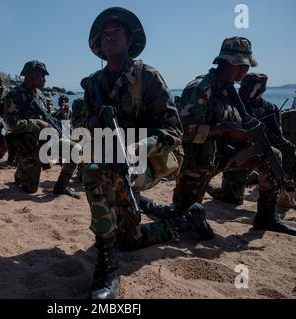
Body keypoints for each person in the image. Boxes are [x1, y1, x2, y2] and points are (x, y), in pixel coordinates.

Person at [82, 7, 214, 299]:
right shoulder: (93, 84)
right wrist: (94, 121)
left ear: (130, 40)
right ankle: (183, 219)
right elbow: (82, 122)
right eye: (105, 31)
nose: (110, 33)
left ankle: (106, 267)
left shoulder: (148, 77)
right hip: (113, 158)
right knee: (129, 240)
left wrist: (139, 146)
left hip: (154, 157)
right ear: (98, 43)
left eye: (117, 30)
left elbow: (173, 131)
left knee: (94, 172)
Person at [173, 37, 296, 238]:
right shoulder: (200, 88)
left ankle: (266, 217)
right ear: (235, 64)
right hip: (196, 160)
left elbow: (234, 123)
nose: (247, 71)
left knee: (272, 155)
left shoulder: (228, 88)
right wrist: (225, 128)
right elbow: (186, 132)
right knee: (184, 216)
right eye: (245, 66)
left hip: (224, 154)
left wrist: (247, 134)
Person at [206, 73, 296, 212]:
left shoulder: (270, 109)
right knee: (232, 200)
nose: (242, 91)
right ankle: (216, 189)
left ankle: (286, 198)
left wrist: (284, 143)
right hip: (236, 154)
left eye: (246, 88)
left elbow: (277, 136)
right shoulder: (231, 104)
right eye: (242, 87)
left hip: (262, 151)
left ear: (258, 91)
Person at [3, 60, 80, 198]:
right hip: (27, 146)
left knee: (75, 150)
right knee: (31, 190)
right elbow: (11, 125)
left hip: (45, 141)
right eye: (41, 76)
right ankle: (21, 170)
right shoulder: (13, 96)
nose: (44, 80)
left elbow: (47, 116)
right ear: (30, 76)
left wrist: (60, 112)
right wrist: (36, 123)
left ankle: (60, 187)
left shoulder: (39, 95)